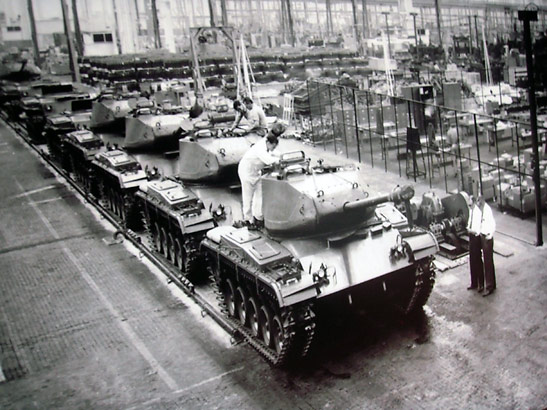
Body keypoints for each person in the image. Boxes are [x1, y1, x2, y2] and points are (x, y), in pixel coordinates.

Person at [234, 123, 285, 230]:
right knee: (248, 197)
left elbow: (275, 153)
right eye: (273, 146)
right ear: (268, 142)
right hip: (246, 172)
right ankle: (248, 220)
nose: (273, 148)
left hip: (256, 172)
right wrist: (280, 160)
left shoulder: (267, 145)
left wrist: (282, 156)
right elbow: (268, 159)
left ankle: (258, 217)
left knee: (259, 195)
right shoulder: (260, 148)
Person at [466, 194, 497, 296]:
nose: (478, 203)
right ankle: (487, 284)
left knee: (488, 262)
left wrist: (490, 235)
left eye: (479, 200)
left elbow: (492, 224)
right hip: (481, 236)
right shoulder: (479, 210)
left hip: (486, 236)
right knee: (481, 260)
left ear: (482, 200)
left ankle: (489, 286)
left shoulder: (486, 210)